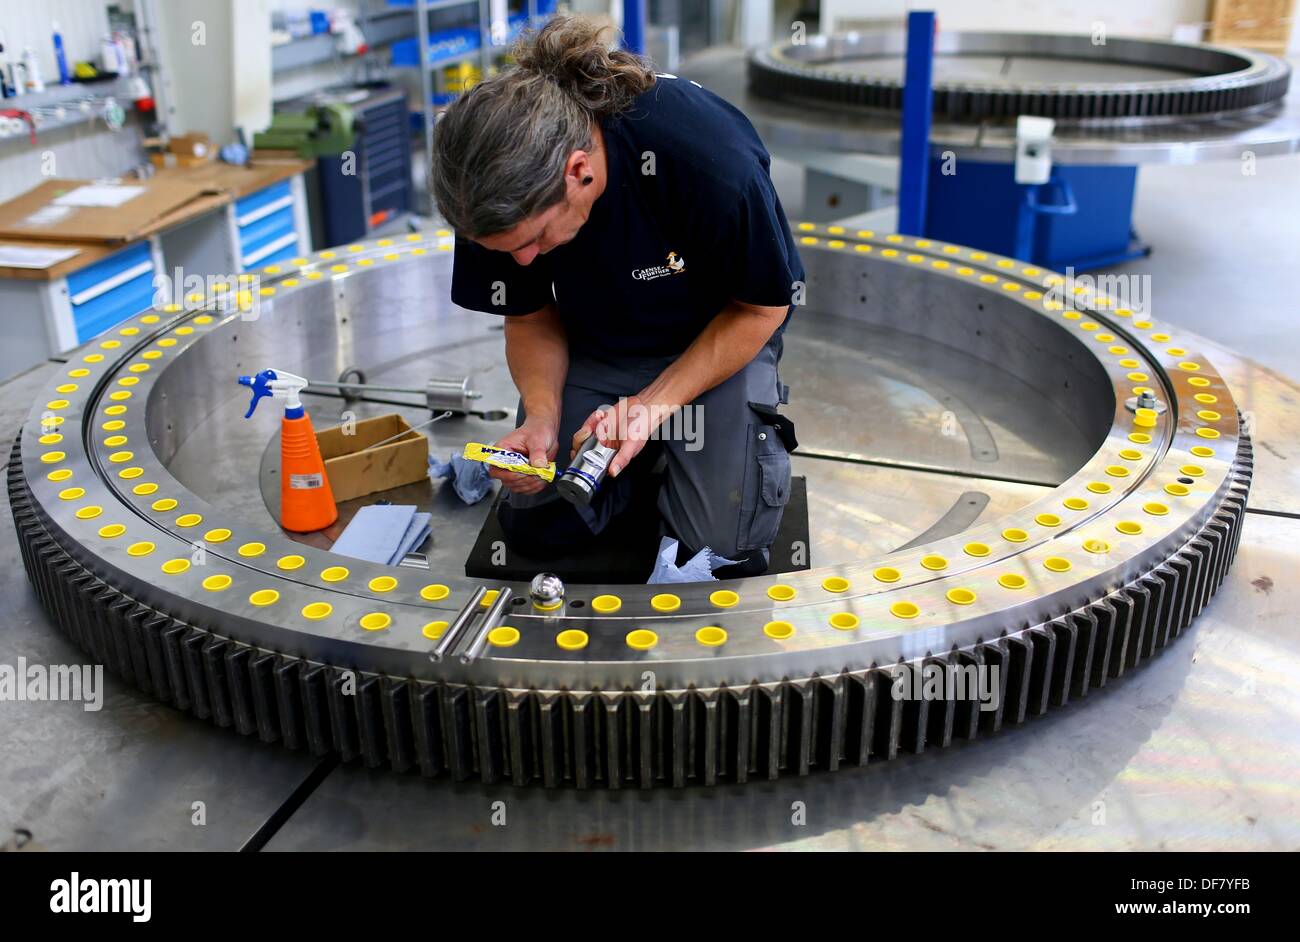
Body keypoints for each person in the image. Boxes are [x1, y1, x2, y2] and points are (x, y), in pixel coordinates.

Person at [430, 15, 803, 577]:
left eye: (534, 241)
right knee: (538, 520)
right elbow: (530, 315)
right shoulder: (487, 183)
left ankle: (664, 456)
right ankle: (642, 460)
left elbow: (761, 309)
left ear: (577, 170)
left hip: (716, 342)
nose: (525, 262)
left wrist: (652, 407)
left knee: (719, 548)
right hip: (600, 343)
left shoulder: (708, 162)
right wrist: (543, 418)